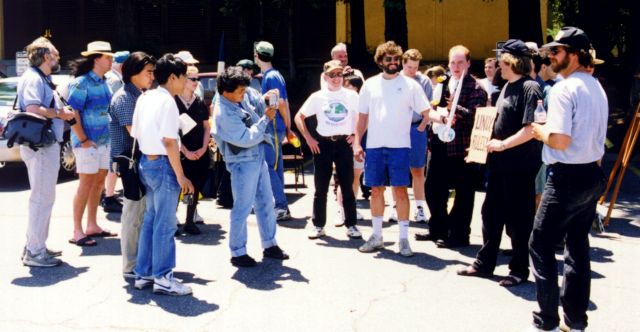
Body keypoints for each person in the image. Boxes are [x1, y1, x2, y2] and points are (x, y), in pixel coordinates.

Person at [528, 27, 608, 332]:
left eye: (557, 51)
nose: (550, 56)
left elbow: (559, 140)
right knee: (577, 246)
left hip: (567, 176)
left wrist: (539, 132)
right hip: (591, 173)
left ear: (574, 55)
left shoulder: (564, 88)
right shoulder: (595, 86)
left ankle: (546, 321)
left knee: (541, 244)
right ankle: (575, 322)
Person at [457, 39, 543, 287]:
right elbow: (494, 121)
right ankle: (485, 264)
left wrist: (503, 144)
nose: (496, 65)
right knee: (490, 214)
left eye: (501, 60)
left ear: (513, 61)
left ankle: (519, 269)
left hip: (519, 166)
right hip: (498, 164)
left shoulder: (530, 88)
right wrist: (479, 146)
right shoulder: (506, 86)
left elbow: (532, 129)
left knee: (519, 220)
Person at [353, 41, 443, 257]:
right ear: (380, 61)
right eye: (388, 59)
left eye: (396, 59)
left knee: (401, 192)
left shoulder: (411, 85)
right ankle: (376, 237)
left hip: (400, 147)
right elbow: (362, 117)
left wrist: (440, 120)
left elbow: (426, 111)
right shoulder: (370, 84)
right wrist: (357, 142)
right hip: (374, 147)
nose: (393, 63)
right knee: (376, 191)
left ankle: (403, 240)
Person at [212, 66, 289, 267]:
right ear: (225, 91)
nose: (243, 94)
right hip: (241, 163)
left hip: (256, 157)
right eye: (240, 91)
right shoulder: (223, 113)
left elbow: (254, 100)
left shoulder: (238, 97)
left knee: (266, 202)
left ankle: (270, 244)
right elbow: (247, 138)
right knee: (242, 208)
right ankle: (237, 251)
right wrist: (266, 119)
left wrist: (266, 98)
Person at [131, 54, 194, 296]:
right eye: (184, 76)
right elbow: (169, 142)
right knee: (165, 225)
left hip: (146, 163)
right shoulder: (168, 102)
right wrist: (181, 176)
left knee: (151, 220)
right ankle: (163, 277)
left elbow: (135, 134)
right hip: (164, 165)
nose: (186, 81)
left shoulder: (145, 97)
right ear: (172, 77)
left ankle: (144, 273)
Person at [415, 45, 488, 248]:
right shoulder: (443, 82)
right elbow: (433, 106)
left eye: (460, 63)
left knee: (464, 193)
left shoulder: (476, 87)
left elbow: (477, 114)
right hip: (440, 144)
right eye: (452, 63)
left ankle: (459, 234)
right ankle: (438, 228)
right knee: (433, 189)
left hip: (462, 147)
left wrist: (456, 111)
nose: (456, 67)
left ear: (468, 63)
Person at [18, 37, 75, 267]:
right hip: (40, 146)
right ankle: (34, 251)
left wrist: (59, 112)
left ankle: (36, 244)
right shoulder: (34, 78)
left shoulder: (41, 77)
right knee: (42, 199)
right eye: (55, 55)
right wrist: (60, 114)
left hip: (43, 144)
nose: (57, 58)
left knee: (43, 198)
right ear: (44, 57)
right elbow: (32, 108)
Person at [294, 60, 362, 240]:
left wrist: (355, 136)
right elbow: (299, 117)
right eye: (332, 75)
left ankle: (352, 224)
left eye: (339, 74)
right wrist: (309, 139)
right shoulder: (317, 96)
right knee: (320, 187)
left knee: (347, 185)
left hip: (343, 143)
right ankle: (318, 225)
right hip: (323, 144)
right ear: (325, 77)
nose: (336, 78)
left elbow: (362, 116)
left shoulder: (351, 95)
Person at [109, 51, 156, 278]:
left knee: (142, 212)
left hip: (140, 161)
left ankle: (141, 260)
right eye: (148, 72)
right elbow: (135, 133)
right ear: (134, 73)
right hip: (129, 162)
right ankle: (130, 265)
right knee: (133, 213)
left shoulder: (141, 95)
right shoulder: (125, 97)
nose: (152, 76)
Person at [67, 41, 117, 247]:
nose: (111, 60)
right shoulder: (81, 82)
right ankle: (77, 230)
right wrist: (84, 139)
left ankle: (92, 225)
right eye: (107, 57)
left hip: (103, 141)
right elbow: (73, 111)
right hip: (87, 143)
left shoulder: (104, 81)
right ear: (97, 58)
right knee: (86, 184)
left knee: (98, 183)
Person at [389, 48, 431, 223]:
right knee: (396, 169)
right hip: (397, 128)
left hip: (416, 128)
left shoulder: (425, 81)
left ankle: (420, 207)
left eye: (415, 67)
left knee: (418, 169)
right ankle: (395, 206)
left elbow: (429, 106)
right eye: (409, 67)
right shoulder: (393, 80)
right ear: (402, 64)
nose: (412, 71)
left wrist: (422, 126)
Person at [254, 40, 292, 221]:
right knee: (275, 167)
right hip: (275, 126)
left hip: (273, 126)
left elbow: (282, 103)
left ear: (257, 55)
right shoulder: (272, 75)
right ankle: (279, 204)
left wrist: (287, 125)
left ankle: (281, 206)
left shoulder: (271, 77)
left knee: (270, 166)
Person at [175, 65, 210, 235]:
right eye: (193, 79)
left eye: (198, 79)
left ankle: (189, 220)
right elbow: (171, 132)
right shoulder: (173, 102)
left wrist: (204, 148)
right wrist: (185, 151)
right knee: (176, 186)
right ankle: (172, 220)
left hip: (198, 152)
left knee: (194, 187)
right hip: (180, 152)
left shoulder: (200, 102)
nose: (196, 82)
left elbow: (206, 127)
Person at [102, 50, 130, 214]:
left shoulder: (112, 78)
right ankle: (109, 197)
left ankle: (107, 195)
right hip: (113, 127)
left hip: (109, 126)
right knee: (113, 163)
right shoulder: (114, 81)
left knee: (111, 163)